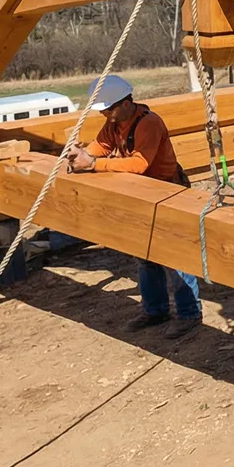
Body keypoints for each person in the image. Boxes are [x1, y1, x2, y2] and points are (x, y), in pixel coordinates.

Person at [65, 76, 200, 339]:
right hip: (141, 194)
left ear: (127, 103)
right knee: (144, 255)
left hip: (167, 192)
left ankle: (189, 313)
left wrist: (91, 165)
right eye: (104, 110)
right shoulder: (113, 123)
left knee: (175, 256)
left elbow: (139, 164)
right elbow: (101, 146)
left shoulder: (149, 123)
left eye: (109, 109)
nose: (106, 114)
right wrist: (80, 155)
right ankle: (155, 310)